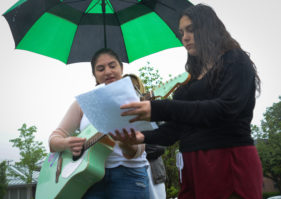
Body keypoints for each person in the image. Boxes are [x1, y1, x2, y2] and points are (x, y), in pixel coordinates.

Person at [110, 4, 263, 199]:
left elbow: (225, 109)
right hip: (192, 164)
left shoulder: (235, 60)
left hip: (226, 158)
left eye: (191, 29)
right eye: (181, 32)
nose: (185, 37)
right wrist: (142, 137)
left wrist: (157, 108)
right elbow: (176, 129)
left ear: (209, 28)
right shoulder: (191, 79)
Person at [48, 48, 149, 199]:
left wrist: (126, 144)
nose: (107, 71)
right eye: (100, 69)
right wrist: (66, 144)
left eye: (112, 66)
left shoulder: (136, 101)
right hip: (87, 179)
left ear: (121, 68)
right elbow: (54, 139)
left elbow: (139, 149)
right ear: (94, 75)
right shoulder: (82, 104)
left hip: (129, 176)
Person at [123, 73, 167, 199]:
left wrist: (140, 148)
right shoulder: (121, 113)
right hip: (128, 173)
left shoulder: (153, 108)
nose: (131, 89)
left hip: (153, 171)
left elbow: (163, 142)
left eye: (135, 86)